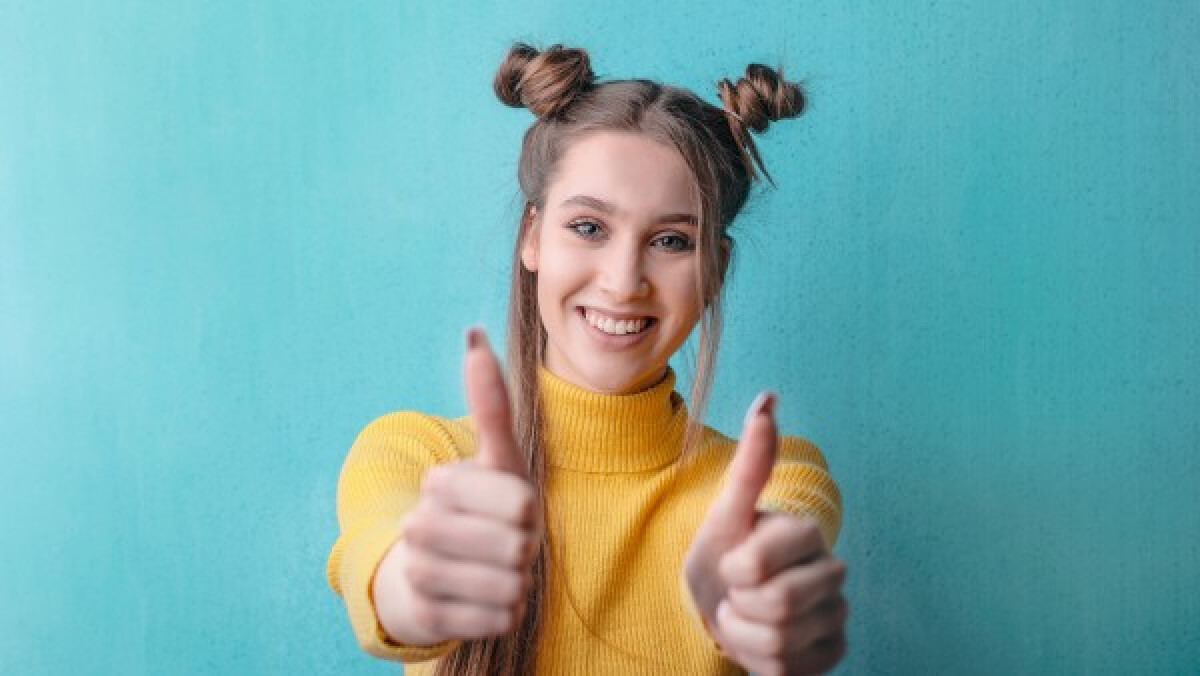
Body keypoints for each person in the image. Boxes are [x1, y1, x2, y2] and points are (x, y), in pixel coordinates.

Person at [326, 42, 848, 676]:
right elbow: (382, 565)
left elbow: (786, 530)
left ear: (716, 269)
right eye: (589, 227)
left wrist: (761, 587)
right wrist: (415, 585)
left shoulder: (768, 479)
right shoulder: (415, 455)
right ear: (532, 237)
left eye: (671, 240)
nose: (624, 282)